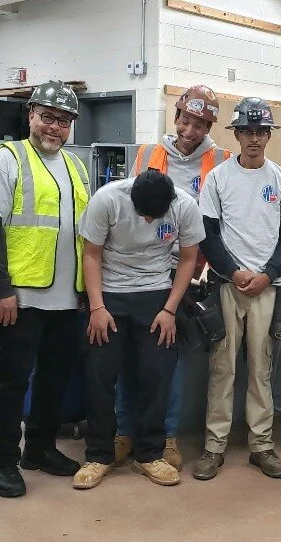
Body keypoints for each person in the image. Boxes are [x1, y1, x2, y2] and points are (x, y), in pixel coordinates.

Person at [0, 80, 88, 498]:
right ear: (30, 115)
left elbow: (85, 231)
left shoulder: (75, 166)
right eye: (47, 117)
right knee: (12, 380)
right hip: (20, 297)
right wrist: (0, 288)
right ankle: (3, 461)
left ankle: (40, 448)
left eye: (63, 121)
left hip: (67, 296)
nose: (54, 128)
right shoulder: (6, 160)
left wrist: (86, 290)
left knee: (55, 377)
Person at [120, 85, 232, 471]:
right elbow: (130, 208)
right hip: (137, 267)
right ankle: (124, 432)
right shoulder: (149, 154)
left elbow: (218, 222)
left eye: (200, 124)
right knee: (129, 352)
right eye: (186, 120)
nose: (190, 130)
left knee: (170, 355)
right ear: (177, 116)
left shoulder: (221, 159)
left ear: (210, 125)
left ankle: (166, 434)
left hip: (186, 268)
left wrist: (202, 269)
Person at [192, 98, 281, 480]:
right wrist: (234, 271)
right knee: (222, 368)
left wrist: (268, 273)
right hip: (226, 285)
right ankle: (214, 447)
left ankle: (262, 445)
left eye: (261, 131)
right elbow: (207, 233)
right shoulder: (218, 179)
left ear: (268, 135)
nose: (254, 138)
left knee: (261, 369)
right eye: (247, 131)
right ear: (236, 134)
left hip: (268, 289)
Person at [74, 169, 204, 489]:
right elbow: (91, 254)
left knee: (157, 375)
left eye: (154, 216)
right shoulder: (107, 200)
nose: (147, 222)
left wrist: (169, 309)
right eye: (142, 214)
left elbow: (188, 258)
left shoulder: (184, 206)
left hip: (156, 295)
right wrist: (97, 307)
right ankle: (98, 456)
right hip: (110, 295)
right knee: (100, 375)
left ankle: (149, 454)